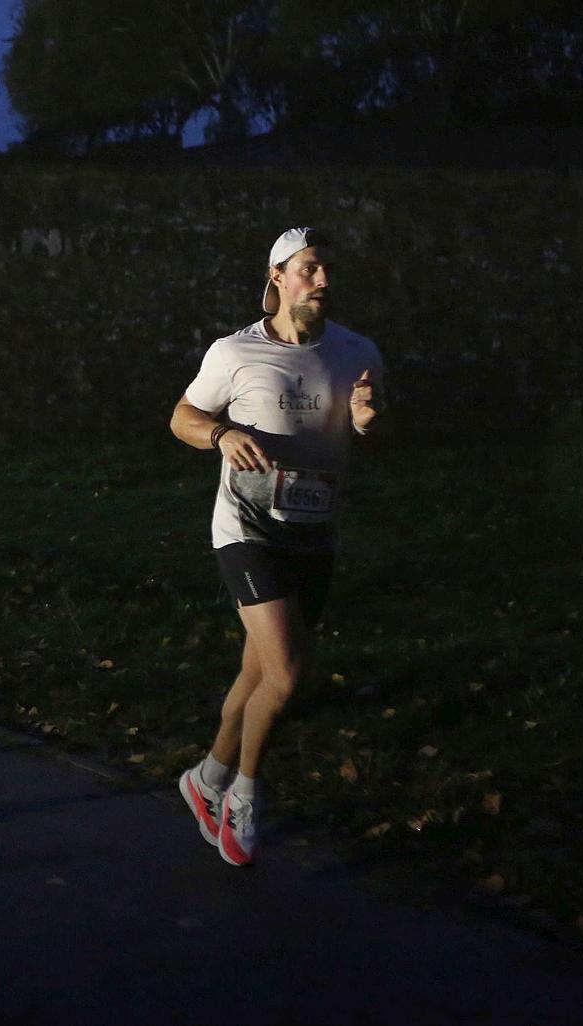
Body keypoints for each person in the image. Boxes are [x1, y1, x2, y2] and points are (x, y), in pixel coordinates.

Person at [169, 227, 385, 866]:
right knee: (288, 675)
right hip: (246, 530)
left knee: (259, 672)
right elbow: (182, 417)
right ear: (277, 278)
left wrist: (370, 421)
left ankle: (204, 778)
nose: (322, 281)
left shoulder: (357, 351)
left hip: (314, 531)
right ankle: (244, 794)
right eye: (310, 269)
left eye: (326, 271)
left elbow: (370, 427)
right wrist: (221, 436)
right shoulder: (234, 352)